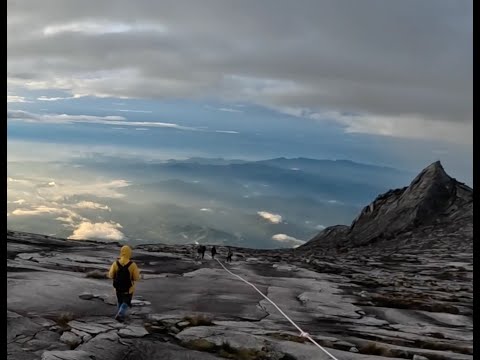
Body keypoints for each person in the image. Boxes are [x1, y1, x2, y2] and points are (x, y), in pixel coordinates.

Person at [108, 245, 141, 322]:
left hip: (117, 287)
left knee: (120, 301)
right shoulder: (132, 265)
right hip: (128, 288)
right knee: (126, 302)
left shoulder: (115, 263)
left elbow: (111, 275)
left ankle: (119, 315)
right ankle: (120, 314)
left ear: (121, 252)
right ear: (129, 253)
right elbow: (136, 278)